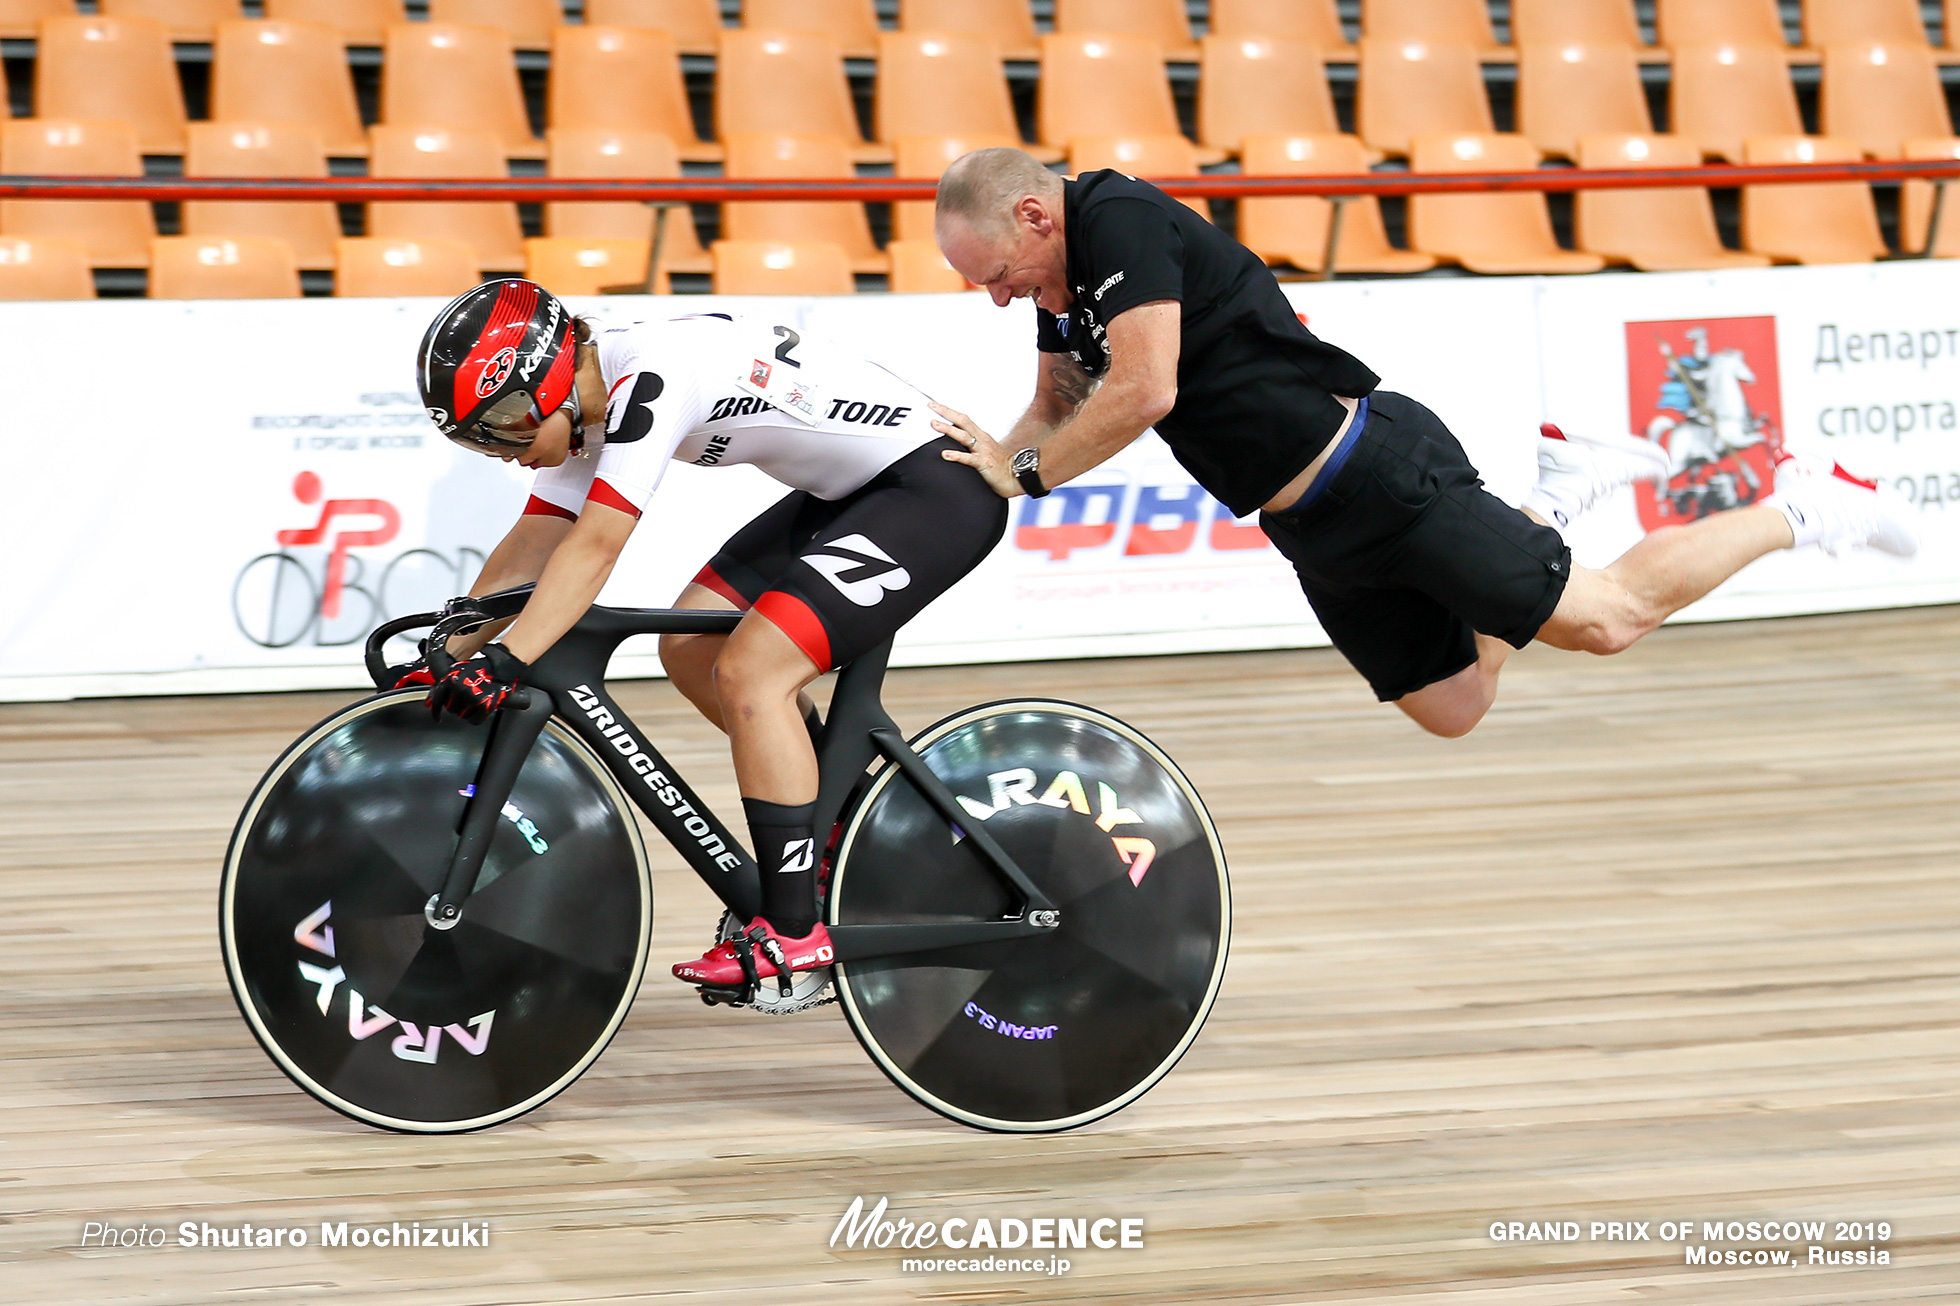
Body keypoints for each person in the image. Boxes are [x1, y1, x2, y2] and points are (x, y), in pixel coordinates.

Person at [927, 148, 1918, 737]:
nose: (1000, 295)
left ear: (1032, 213)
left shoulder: (1118, 219)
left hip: (1379, 477)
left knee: (1608, 618)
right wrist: (988, 462)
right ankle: (1558, 500)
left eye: (998, 273)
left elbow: (1144, 388)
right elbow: (1056, 402)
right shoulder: (1061, 278)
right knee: (1452, 706)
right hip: (1310, 526)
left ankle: (1808, 501)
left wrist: (1022, 476)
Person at [413, 279, 1006, 987]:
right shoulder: (588, 397)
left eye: (502, 428)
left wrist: (507, 657)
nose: (505, 453)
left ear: (544, 386)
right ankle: (839, 829)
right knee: (694, 648)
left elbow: (596, 547)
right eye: (479, 442)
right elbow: (539, 538)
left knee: (752, 672)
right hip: (855, 496)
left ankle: (794, 931)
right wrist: (449, 648)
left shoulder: (650, 378)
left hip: (931, 493)